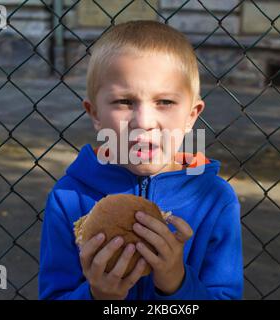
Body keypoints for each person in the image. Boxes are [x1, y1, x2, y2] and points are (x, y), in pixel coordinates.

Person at [39, 20, 243, 300]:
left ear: (191, 116)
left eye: (165, 102)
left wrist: (176, 283)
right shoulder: (68, 198)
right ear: (95, 113)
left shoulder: (215, 200)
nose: (144, 122)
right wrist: (98, 296)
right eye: (124, 102)